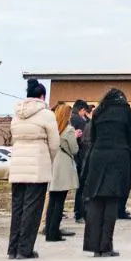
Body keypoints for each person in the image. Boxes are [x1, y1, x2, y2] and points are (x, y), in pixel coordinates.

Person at [81, 87, 131, 257]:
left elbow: (94, 136)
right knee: (111, 200)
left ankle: (93, 246)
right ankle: (106, 246)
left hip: (98, 156)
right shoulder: (126, 111)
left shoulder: (99, 111)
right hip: (118, 156)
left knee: (96, 199)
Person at [8, 79, 60, 259]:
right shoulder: (46, 114)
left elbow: (13, 137)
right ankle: (25, 249)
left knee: (17, 208)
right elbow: (54, 144)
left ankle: (12, 248)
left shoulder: (16, 114)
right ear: (42, 96)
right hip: (37, 164)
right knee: (33, 208)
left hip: (17, 164)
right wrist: (49, 159)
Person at [45, 103, 80, 242]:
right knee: (59, 201)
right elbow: (74, 149)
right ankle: (54, 233)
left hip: (53, 164)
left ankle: (49, 231)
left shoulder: (52, 129)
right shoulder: (69, 130)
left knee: (53, 200)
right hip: (64, 166)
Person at [70, 99, 92, 224]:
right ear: (82, 110)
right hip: (81, 156)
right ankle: (80, 213)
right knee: (82, 186)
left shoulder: (71, 119)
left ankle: (77, 212)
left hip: (75, 157)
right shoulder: (79, 120)